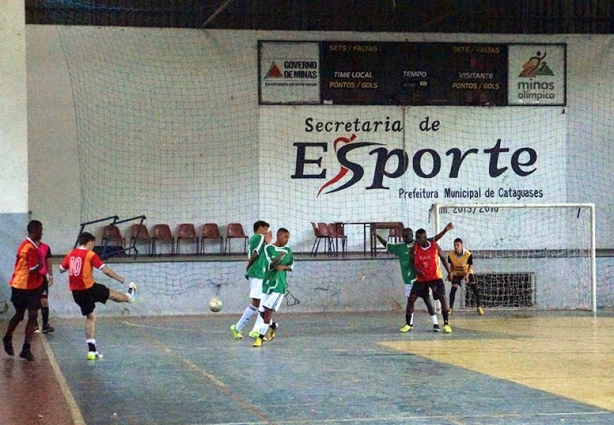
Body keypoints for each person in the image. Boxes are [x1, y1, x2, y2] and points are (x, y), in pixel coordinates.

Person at [59, 231, 136, 360]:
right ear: (89, 242)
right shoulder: (90, 255)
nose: (93, 246)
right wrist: (119, 278)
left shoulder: (71, 254)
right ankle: (129, 297)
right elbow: (105, 270)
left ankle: (92, 351)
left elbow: (61, 269)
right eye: (93, 244)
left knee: (91, 317)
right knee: (110, 294)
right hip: (89, 289)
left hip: (76, 293)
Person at [373, 222, 453, 332]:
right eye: (403, 236)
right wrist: (377, 235)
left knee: (433, 300)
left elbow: (435, 240)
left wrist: (445, 230)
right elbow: (388, 246)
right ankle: (409, 324)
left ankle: (441, 324)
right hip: (413, 279)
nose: (405, 238)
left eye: (408, 236)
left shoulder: (424, 244)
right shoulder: (405, 247)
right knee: (411, 300)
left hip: (428, 278)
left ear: (415, 237)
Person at [2, 220, 45, 361]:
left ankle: (26, 348)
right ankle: (7, 337)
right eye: (39, 231)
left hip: (33, 287)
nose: (41, 233)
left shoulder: (33, 246)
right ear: (32, 232)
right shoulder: (29, 248)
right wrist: (40, 264)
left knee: (33, 315)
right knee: (20, 315)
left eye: (41, 230)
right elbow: (33, 269)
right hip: (21, 286)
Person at [230, 220, 272, 340]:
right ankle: (256, 330)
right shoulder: (259, 237)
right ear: (259, 228)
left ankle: (237, 327)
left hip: (259, 273)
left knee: (256, 303)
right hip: (257, 272)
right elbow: (255, 253)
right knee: (263, 304)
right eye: (265, 229)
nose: (267, 232)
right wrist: (249, 265)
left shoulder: (257, 238)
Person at [253, 228, 293, 348]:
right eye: (285, 237)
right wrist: (278, 259)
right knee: (261, 313)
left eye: (288, 238)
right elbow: (271, 264)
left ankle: (260, 338)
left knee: (268, 311)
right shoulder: (268, 249)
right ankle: (273, 326)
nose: (287, 240)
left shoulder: (288, 251)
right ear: (279, 236)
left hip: (278, 286)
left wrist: (284, 267)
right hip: (267, 284)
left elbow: (291, 266)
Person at [412, 228, 453, 333]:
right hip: (421, 278)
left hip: (435, 278)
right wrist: (416, 269)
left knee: (442, 298)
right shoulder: (415, 247)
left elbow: (443, 258)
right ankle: (409, 323)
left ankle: (446, 324)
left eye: (418, 238)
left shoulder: (434, 246)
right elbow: (412, 262)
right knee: (412, 298)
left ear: (424, 238)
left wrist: (449, 272)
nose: (416, 240)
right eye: (416, 238)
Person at [448, 238, 484, 315]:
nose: (456, 247)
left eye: (458, 245)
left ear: (462, 246)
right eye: (455, 245)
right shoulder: (450, 254)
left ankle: (479, 307)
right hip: (457, 272)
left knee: (474, 288)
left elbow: (470, 265)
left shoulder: (468, 254)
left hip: (466, 271)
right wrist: (450, 273)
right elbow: (451, 265)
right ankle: (450, 308)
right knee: (453, 289)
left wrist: (467, 275)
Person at [35, 240, 55, 334]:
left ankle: (45, 325)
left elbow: (49, 263)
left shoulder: (46, 247)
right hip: (31, 278)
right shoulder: (27, 247)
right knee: (33, 301)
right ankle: (34, 324)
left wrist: (50, 276)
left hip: (42, 279)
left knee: (44, 301)